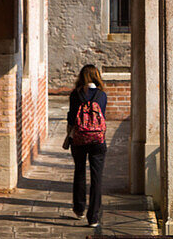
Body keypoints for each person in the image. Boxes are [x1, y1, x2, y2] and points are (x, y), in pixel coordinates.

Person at [67, 63, 108, 228]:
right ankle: (94, 218)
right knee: (97, 178)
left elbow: (71, 119)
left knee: (79, 172)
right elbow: (102, 116)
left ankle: (79, 209)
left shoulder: (75, 95)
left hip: (79, 139)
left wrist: (69, 135)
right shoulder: (102, 95)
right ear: (96, 76)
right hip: (98, 141)